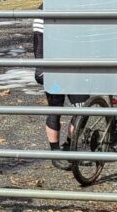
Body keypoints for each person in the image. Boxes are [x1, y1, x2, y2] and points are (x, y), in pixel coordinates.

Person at [33, 11, 85, 169]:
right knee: (55, 107)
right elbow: (39, 46)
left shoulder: (74, 4)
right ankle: (55, 153)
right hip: (51, 69)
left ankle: (70, 146)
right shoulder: (42, 12)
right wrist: (44, 70)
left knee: (82, 108)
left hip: (74, 67)